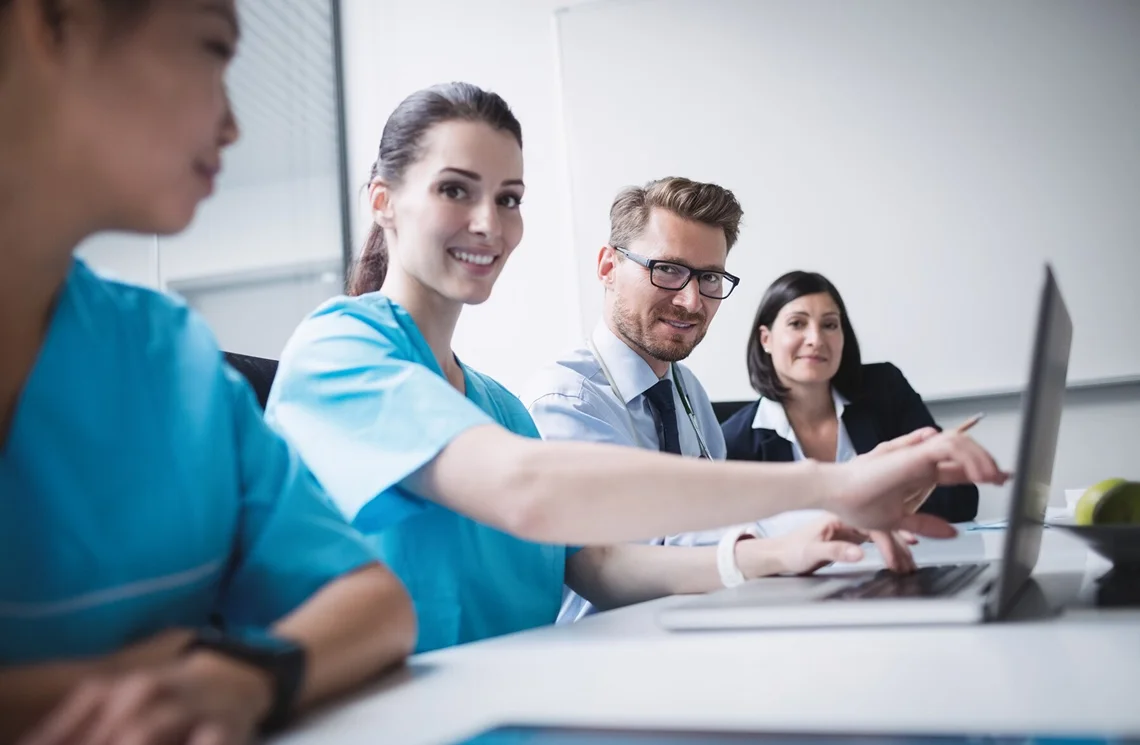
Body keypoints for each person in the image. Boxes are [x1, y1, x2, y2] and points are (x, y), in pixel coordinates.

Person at [265, 81, 1006, 655]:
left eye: (510, 197)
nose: (491, 223)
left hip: (523, 699)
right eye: (456, 189)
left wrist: (780, 552)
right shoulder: (340, 348)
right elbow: (527, 493)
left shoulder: (497, 407)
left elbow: (600, 566)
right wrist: (836, 482)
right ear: (383, 201)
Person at [0, 1, 415, 743]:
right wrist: (154, 670)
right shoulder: (341, 341)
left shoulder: (171, 359)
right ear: (53, 21)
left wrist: (242, 674)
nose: (232, 127)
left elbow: (376, 602)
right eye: (212, 51)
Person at [523, 177, 926, 623]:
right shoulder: (568, 399)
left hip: (699, 622)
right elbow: (639, 554)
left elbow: (706, 525)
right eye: (668, 269)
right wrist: (831, 502)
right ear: (607, 267)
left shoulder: (687, 389)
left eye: (710, 277)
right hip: (608, 645)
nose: (691, 300)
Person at [721, 270, 981, 530]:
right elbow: (739, 534)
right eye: (797, 323)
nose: (816, 339)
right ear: (766, 339)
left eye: (830, 325)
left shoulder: (884, 389)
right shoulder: (734, 441)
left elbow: (960, 497)